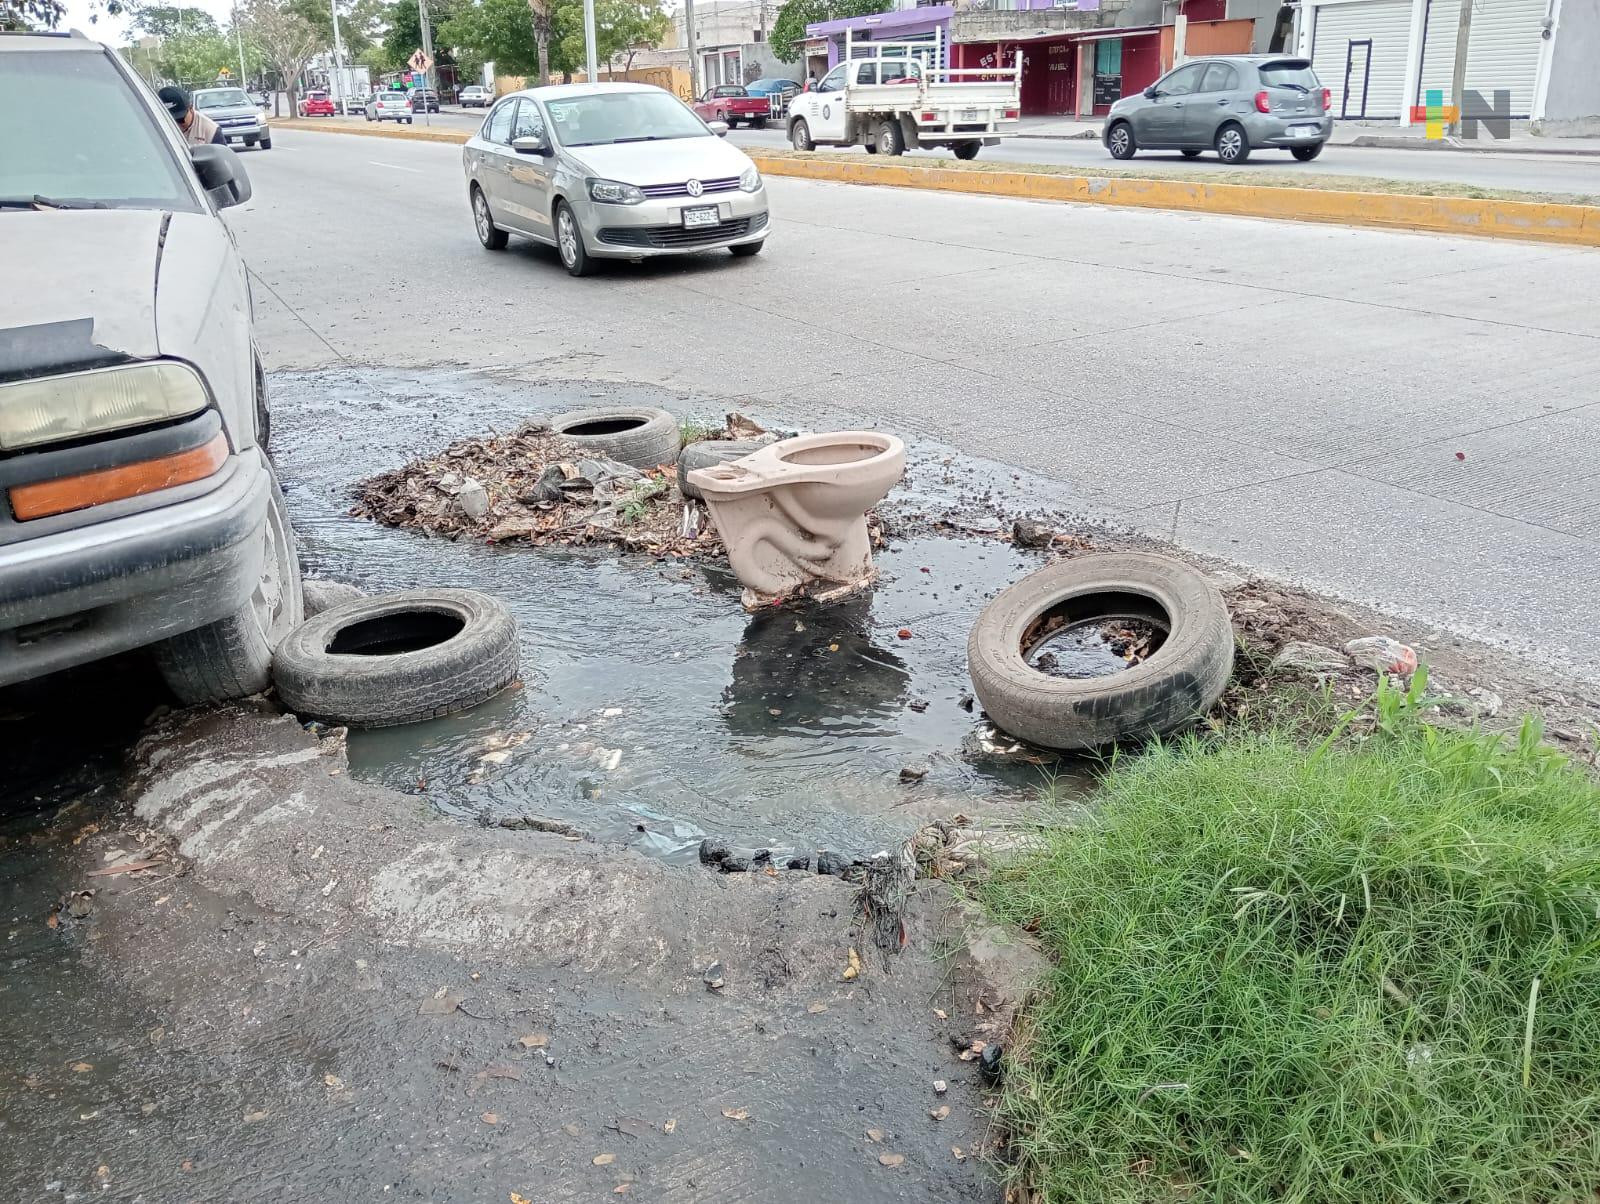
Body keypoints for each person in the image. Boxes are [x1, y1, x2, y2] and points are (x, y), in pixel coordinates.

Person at [158, 86, 227, 147]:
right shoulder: (155, 128)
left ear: (190, 108)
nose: (176, 124)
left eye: (180, 119)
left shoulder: (210, 130)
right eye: (170, 120)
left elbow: (223, 158)